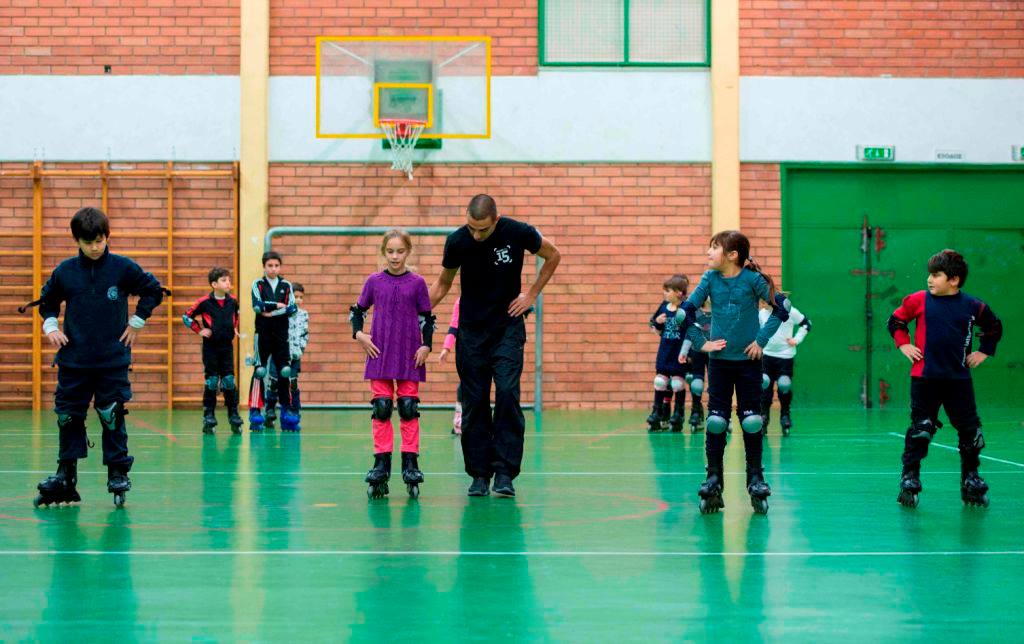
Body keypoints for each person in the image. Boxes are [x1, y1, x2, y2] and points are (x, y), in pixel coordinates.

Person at [24, 207, 166, 508]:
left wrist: (137, 321)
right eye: (88, 242)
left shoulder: (122, 268)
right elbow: (47, 301)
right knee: (67, 416)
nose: (95, 247)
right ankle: (66, 477)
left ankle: (117, 471)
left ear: (106, 237)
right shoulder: (65, 271)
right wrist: (50, 326)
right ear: (77, 240)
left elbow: (153, 291)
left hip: (111, 359)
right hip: (74, 359)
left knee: (110, 412)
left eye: (99, 241)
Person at [430, 194, 562, 498]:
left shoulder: (518, 232)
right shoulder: (457, 242)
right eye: (471, 228)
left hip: (507, 329)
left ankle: (504, 473)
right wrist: (414, 312)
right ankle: (478, 474)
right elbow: (443, 283)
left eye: (483, 230)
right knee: (474, 402)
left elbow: (553, 255)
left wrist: (531, 295)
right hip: (471, 333)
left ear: (496, 220)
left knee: (506, 393)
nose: (476, 235)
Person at [680, 230, 790, 515]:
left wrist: (761, 341)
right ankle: (714, 477)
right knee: (716, 421)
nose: (708, 253)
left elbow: (782, 309)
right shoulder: (710, 279)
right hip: (719, 362)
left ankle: (755, 478)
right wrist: (702, 343)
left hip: (748, 363)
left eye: (714, 248)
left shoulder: (752, 280)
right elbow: (685, 313)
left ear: (732, 255)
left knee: (752, 420)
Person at [887, 249, 1002, 508]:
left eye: (936, 275)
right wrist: (903, 344)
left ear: (954, 280)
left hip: (958, 380)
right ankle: (909, 478)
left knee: (971, 432)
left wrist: (984, 351)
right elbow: (895, 322)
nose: (929, 279)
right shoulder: (918, 300)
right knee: (921, 429)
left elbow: (994, 327)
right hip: (925, 378)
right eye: (929, 274)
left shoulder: (973, 306)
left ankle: (970, 479)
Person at [349, 229, 435, 499]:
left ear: (408, 251)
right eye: (390, 251)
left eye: (400, 251)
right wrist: (359, 334)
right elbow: (358, 311)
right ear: (383, 252)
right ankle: (381, 464)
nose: (395, 256)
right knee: (382, 408)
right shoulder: (374, 281)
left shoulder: (417, 283)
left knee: (408, 409)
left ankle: (410, 463)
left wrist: (426, 344)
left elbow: (426, 317)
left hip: (410, 352)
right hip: (380, 352)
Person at [182, 267, 242, 435]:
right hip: (211, 347)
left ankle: (233, 413)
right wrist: (199, 330)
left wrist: (234, 329)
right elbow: (186, 317)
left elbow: (235, 316)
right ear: (214, 284)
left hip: (226, 347)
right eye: (224, 280)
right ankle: (208, 414)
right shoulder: (204, 302)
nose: (228, 283)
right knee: (212, 380)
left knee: (229, 380)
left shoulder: (233, 301)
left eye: (229, 280)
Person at [249, 250, 297, 432]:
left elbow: (292, 308)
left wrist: (271, 312)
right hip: (262, 334)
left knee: (285, 372)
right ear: (264, 266)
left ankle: (286, 410)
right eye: (270, 265)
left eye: (276, 265)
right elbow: (257, 305)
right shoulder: (258, 284)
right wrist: (277, 305)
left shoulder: (286, 285)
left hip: (281, 335)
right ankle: (255, 410)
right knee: (260, 371)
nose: (273, 269)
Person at [758, 298, 811, 437]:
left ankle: (785, 415)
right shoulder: (762, 313)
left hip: (785, 356)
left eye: (764, 302)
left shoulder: (790, 311)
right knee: (764, 386)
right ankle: (763, 416)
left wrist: (796, 339)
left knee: (784, 384)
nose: (762, 305)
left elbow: (806, 324)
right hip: (767, 356)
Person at [647, 274, 690, 432]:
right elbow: (654, 325)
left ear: (678, 293)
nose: (665, 294)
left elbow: (692, 331)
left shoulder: (686, 308)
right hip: (665, 351)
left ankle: (678, 414)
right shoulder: (664, 306)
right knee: (660, 382)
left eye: (668, 291)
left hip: (679, 352)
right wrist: (658, 322)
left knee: (678, 383)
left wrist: (689, 353)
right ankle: (657, 412)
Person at [678, 300, 712, 433]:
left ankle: (717, 411)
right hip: (697, 352)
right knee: (696, 383)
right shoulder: (695, 313)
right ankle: (696, 411)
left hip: (714, 353)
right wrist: (683, 352)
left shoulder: (719, 312)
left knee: (715, 384)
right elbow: (689, 333)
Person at [438, 297, 463, 435]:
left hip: (491, 348)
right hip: (470, 349)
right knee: (466, 384)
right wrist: (446, 348)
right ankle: (459, 421)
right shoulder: (461, 301)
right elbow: (454, 326)